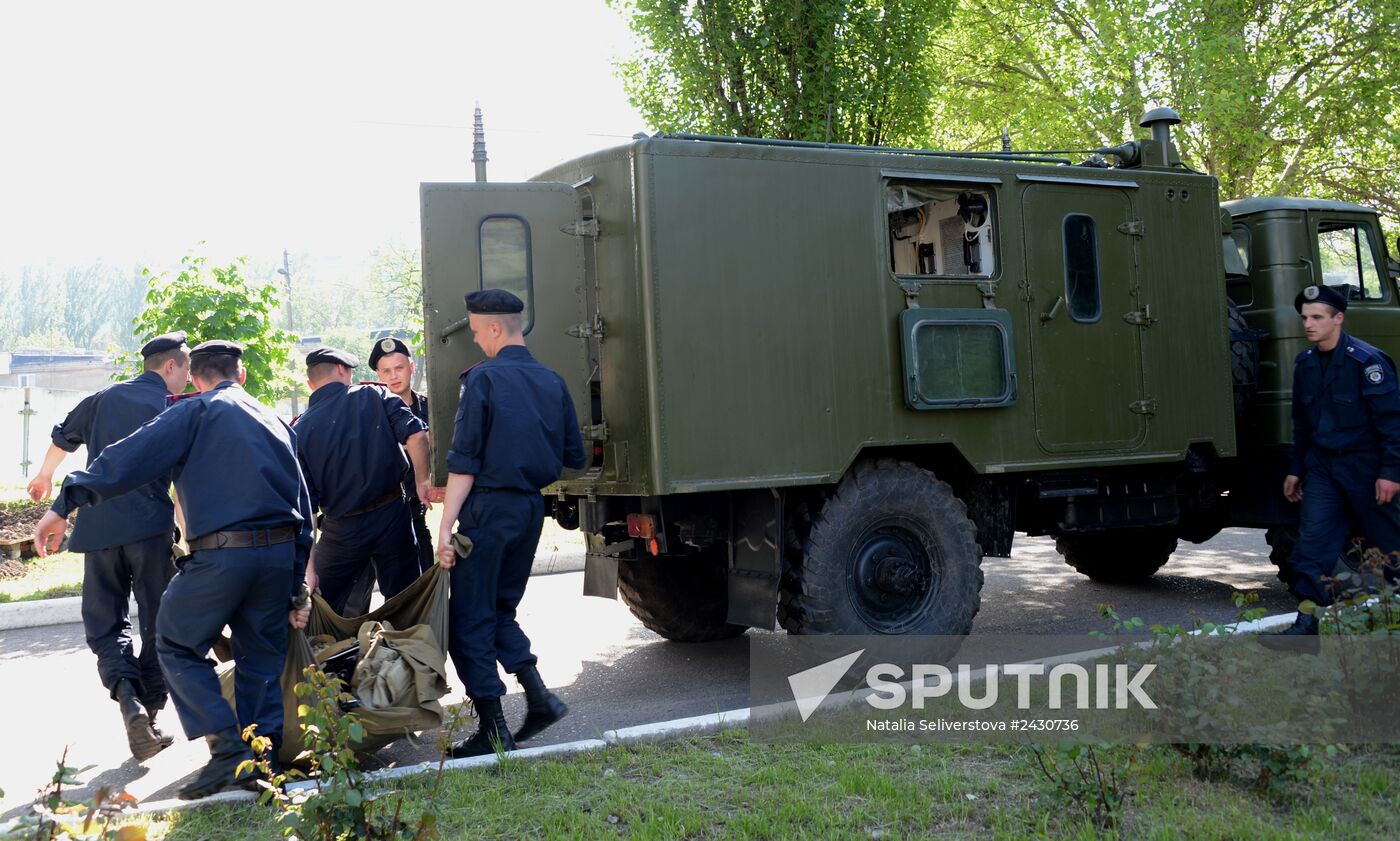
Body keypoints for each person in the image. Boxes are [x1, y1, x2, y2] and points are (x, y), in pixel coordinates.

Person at [33, 340, 315, 800]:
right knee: (260, 657)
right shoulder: (277, 421)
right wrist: (297, 585)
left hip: (224, 554)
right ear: (240, 375)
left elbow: (126, 460)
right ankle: (260, 763)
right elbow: (304, 503)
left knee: (176, 641)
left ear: (196, 376)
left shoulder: (193, 412)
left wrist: (66, 503)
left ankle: (226, 749)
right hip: (278, 555)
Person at [25, 331, 191, 761]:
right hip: (150, 531)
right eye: (187, 368)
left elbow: (64, 436)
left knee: (105, 623)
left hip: (97, 529)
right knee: (158, 621)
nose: (189, 379)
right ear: (170, 366)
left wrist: (44, 478)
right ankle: (150, 714)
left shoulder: (103, 397)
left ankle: (127, 697)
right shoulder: (173, 407)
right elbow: (186, 481)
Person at [437, 289, 587, 757]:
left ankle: (495, 728)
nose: (478, 341)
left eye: (478, 332)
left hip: (487, 511)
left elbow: (464, 462)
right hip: (528, 511)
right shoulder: (552, 381)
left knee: (468, 620)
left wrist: (446, 526)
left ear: (496, 328)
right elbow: (574, 457)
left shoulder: (482, 380)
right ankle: (539, 696)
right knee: (501, 610)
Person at [1263, 284, 1400, 642]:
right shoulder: (1305, 365)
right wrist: (1296, 468)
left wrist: (1390, 473)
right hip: (1323, 468)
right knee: (1313, 546)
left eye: (1317, 317)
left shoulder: (1367, 363)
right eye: (1305, 317)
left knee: (1388, 548)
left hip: (1366, 467)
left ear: (1338, 319)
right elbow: (1302, 424)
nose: (1308, 324)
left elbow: (1392, 425)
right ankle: (1306, 628)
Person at [294, 346, 431, 615]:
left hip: (341, 529)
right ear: (343, 370)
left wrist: (309, 570)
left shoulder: (299, 429)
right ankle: (409, 651)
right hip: (392, 516)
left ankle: (333, 654)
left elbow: (306, 506)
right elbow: (417, 436)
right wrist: (423, 480)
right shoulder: (374, 394)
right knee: (405, 603)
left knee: (324, 607)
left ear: (311, 383)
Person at [370, 336, 435, 573]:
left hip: (416, 510)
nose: (393, 376)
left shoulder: (431, 408)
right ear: (378, 375)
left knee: (425, 574)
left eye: (399, 368)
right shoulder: (371, 415)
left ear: (411, 367)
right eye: (385, 371)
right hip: (381, 513)